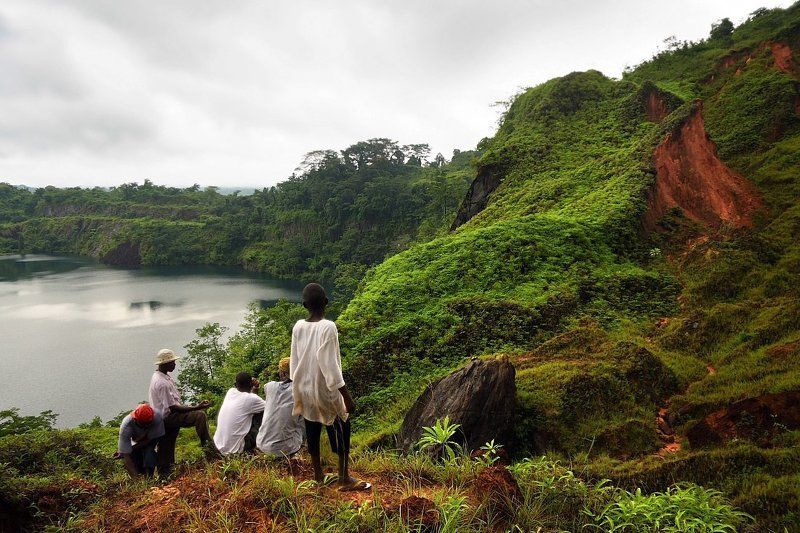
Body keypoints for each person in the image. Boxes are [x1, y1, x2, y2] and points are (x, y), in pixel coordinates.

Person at [290, 283, 370, 491]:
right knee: (342, 425)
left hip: (304, 389)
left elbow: (294, 361)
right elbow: (331, 366)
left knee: (312, 428)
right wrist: (347, 397)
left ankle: (318, 477)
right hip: (325, 389)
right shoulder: (328, 327)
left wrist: (298, 387)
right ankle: (343, 476)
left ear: (304, 304)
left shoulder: (298, 327)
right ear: (326, 302)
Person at [148, 348, 221, 467]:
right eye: (172, 362)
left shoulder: (161, 376)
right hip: (168, 417)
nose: (174, 364)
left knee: (167, 445)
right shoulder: (162, 383)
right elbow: (173, 408)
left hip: (163, 416)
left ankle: (166, 472)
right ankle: (209, 450)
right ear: (165, 363)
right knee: (199, 416)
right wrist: (197, 407)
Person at [256, 357, 305, 457]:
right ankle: (301, 447)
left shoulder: (269, 386)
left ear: (282, 373)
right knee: (305, 413)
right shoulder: (301, 391)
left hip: (261, 444)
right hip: (286, 449)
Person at [213, 372, 266, 455]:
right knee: (263, 412)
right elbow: (270, 408)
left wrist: (253, 388)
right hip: (236, 449)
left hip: (219, 446)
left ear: (235, 384)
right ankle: (264, 443)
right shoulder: (251, 399)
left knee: (254, 411)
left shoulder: (230, 392)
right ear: (251, 384)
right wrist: (256, 387)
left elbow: (250, 401)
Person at [115, 403, 165, 478]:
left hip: (150, 439)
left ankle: (150, 477)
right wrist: (136, 480)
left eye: (148, 424)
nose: (146, 426)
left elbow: (151, 440)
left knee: (149, 453)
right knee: (133, 458)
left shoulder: (157, 417)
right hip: (134, 441)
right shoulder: (126, 426)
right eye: (142, 424)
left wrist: (129, 449)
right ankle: (139, 478)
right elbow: (125, 455)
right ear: (135, 419)